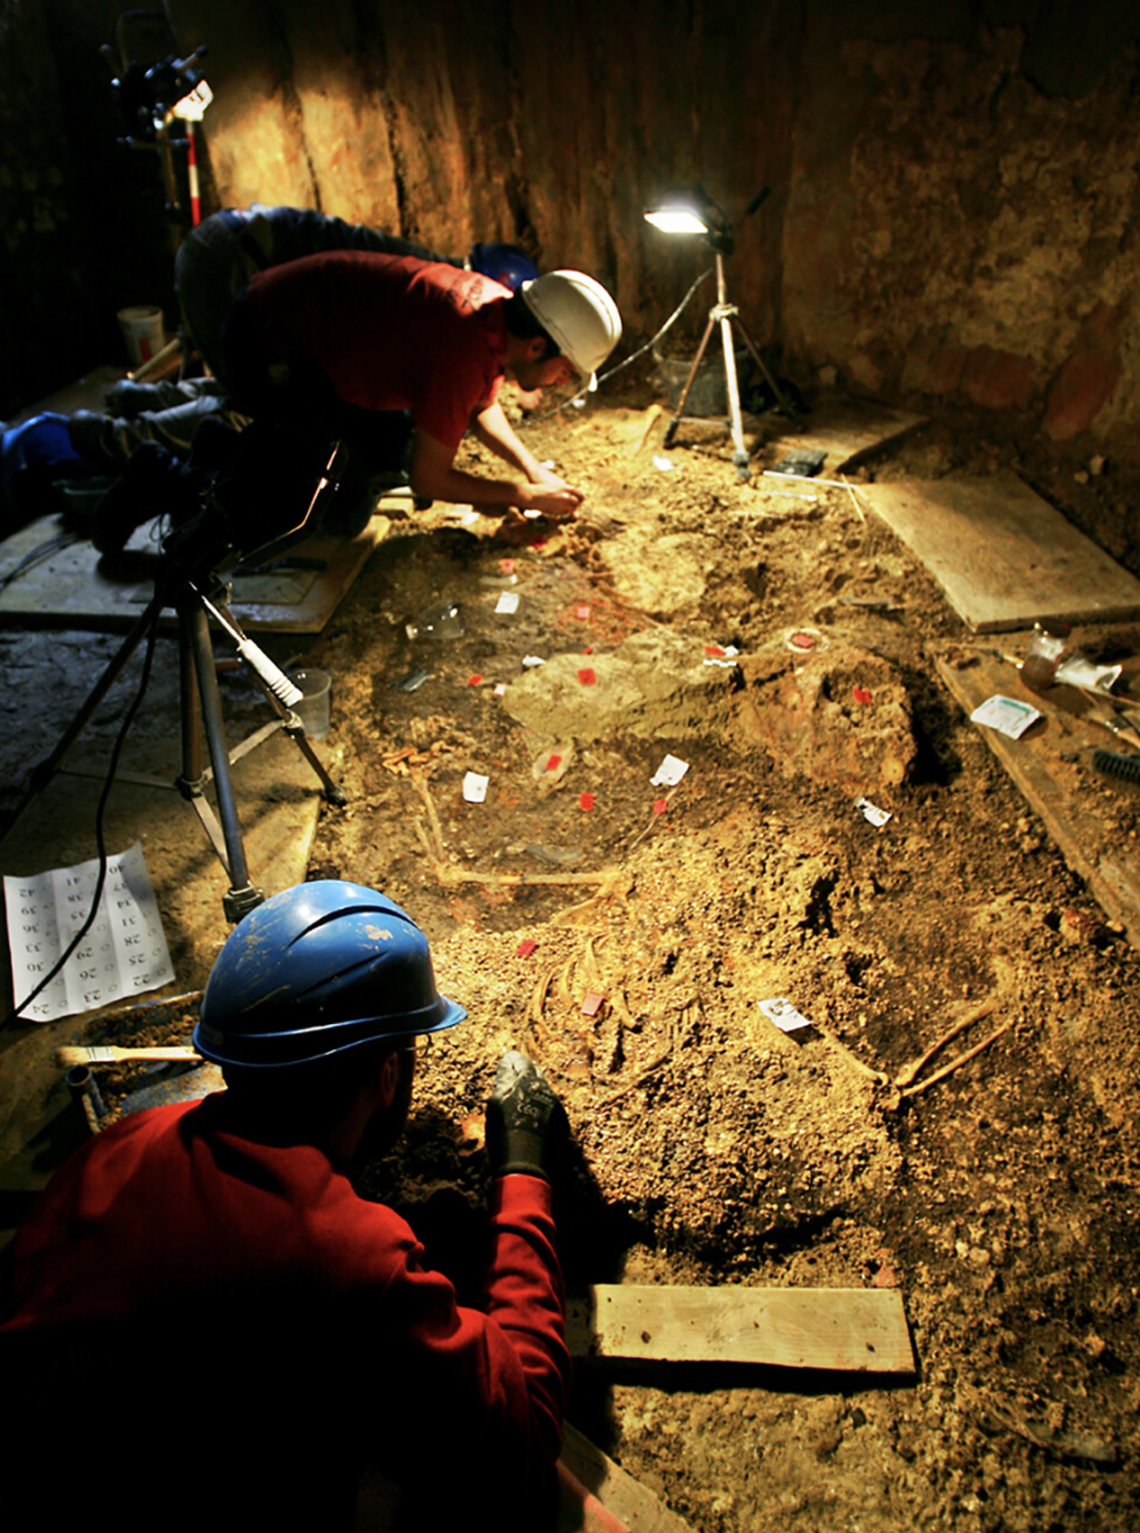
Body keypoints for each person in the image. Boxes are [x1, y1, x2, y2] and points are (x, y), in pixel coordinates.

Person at [0, 881, 572, 1532]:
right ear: (388, 1073)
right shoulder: (346, 1254)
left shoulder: (125, 1142)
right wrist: (523, 1167)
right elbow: (523, 1432)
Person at [218, 252, 622, 519]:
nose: (562, 381)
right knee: (335, 512)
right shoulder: (462, 350)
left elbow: (481, 405)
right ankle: (213, 445)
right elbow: (427, 480)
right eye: (565, 370)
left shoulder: (497, 310)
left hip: (313, 334)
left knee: (387, 453)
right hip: (266, 341)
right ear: (536, 346)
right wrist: (524, 496)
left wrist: (533, 472)